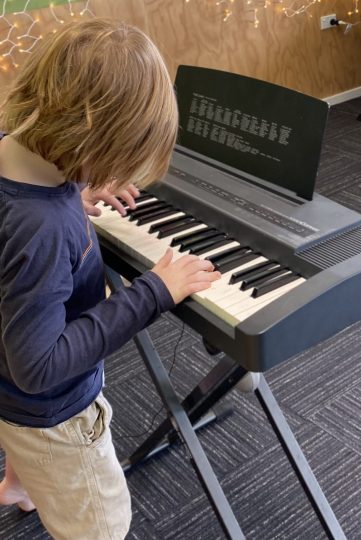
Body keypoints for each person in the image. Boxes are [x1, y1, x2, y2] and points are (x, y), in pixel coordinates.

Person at [0, 18, 220, 539]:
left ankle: (19, 483)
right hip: (55, 416)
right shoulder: (44, 230)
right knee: (104, 524)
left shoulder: (18, 158)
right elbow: (41, 365)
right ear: (92, 139)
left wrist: (71, 197)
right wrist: (154, 292)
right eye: (120, 162)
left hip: (8, 393)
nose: (119, 179)